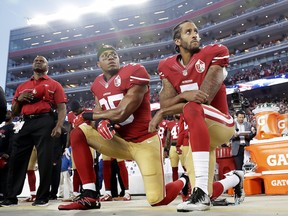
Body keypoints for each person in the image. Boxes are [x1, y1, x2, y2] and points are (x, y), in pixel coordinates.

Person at [58, 45, 189, 210]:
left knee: (157, 200)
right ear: (98, 63)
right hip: (119, 141)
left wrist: (88, 115)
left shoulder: (135, 71)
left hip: (144, 143)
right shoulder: (97, 84)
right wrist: (100, 122)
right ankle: (89, 195)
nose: (111, 57)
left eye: (113, 54)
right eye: (105, 56)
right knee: (79, 132)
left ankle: (185, 180)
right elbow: (100, 111)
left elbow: (121, 113)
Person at [149, 20, 237, 211]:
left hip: (220, 124)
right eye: (188, 32)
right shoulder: (167, 66)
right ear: (178, 41)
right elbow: (165, 102)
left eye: (196, 31)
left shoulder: (214, 53)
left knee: (192, 108)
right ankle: (235, 179)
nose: (195, 34)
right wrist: (182, 95)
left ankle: (202, 195)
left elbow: (203, 99)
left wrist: (165, 111)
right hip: (196, 135)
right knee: (203, 188)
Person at [0, 56, 67, 207]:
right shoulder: (22, 86)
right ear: (32, 65)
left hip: (45, 120)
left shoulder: (54, 84)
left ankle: (42, 196)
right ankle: (11, 196)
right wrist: (19, 99)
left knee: (45, 159)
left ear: (47, 66)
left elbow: (62, 108)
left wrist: (58, 126)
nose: (38, 61)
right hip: (25, 121)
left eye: (41, 60)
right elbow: (15, 112)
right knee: (16, 157)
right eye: (36, 60)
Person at [0, 111, 15, 201]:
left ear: (12, 116)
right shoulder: (1, 128)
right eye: (5, 113)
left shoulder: (13, 128)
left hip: (8, 156)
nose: (6, 115)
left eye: (8, 113)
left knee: (7, 177)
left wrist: (8, 154)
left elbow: (13, 142)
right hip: (1, 155)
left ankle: (7, 195)